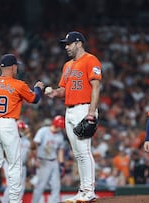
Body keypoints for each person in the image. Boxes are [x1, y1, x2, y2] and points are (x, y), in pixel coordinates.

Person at [0, 54, 44, 203]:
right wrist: (38, 88)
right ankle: (14, 201)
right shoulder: (18, 84)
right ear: (13, 67)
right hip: (8, 124)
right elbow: (35, 99)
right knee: (14, 164)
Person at [45, 31, 101, 203]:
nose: (66, 47)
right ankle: (83, 189)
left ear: (78, 43)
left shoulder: (91, 60)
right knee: (77, 153)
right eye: (65, 45)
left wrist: (91, 112)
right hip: (69, 109)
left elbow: (96, 87)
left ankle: (89, 190)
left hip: (84, 108)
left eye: (69, 44)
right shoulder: (67, 65)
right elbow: (64, 89)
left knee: (84, 151)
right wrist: (54, 92)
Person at [31, 115, 66, 203]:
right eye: (60, 126)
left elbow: (60, 150)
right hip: (43, 161)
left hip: (54, 161)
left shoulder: (60, 135)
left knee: (56, 186)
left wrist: (61, 164)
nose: (60, 128)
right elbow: (34, 146)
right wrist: (34, 160)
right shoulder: (43, 131)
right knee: (40, 186)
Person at [2, 120, 32, 203]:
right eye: (20, 129)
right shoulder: (10, 138)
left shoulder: (26, 140)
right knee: (11, 186)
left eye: (22, 129)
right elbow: (4, 153)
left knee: (21, 187)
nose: (21, 131)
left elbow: (32, 148)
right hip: (11, 165)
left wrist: (29, 136)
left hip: (22, 166)